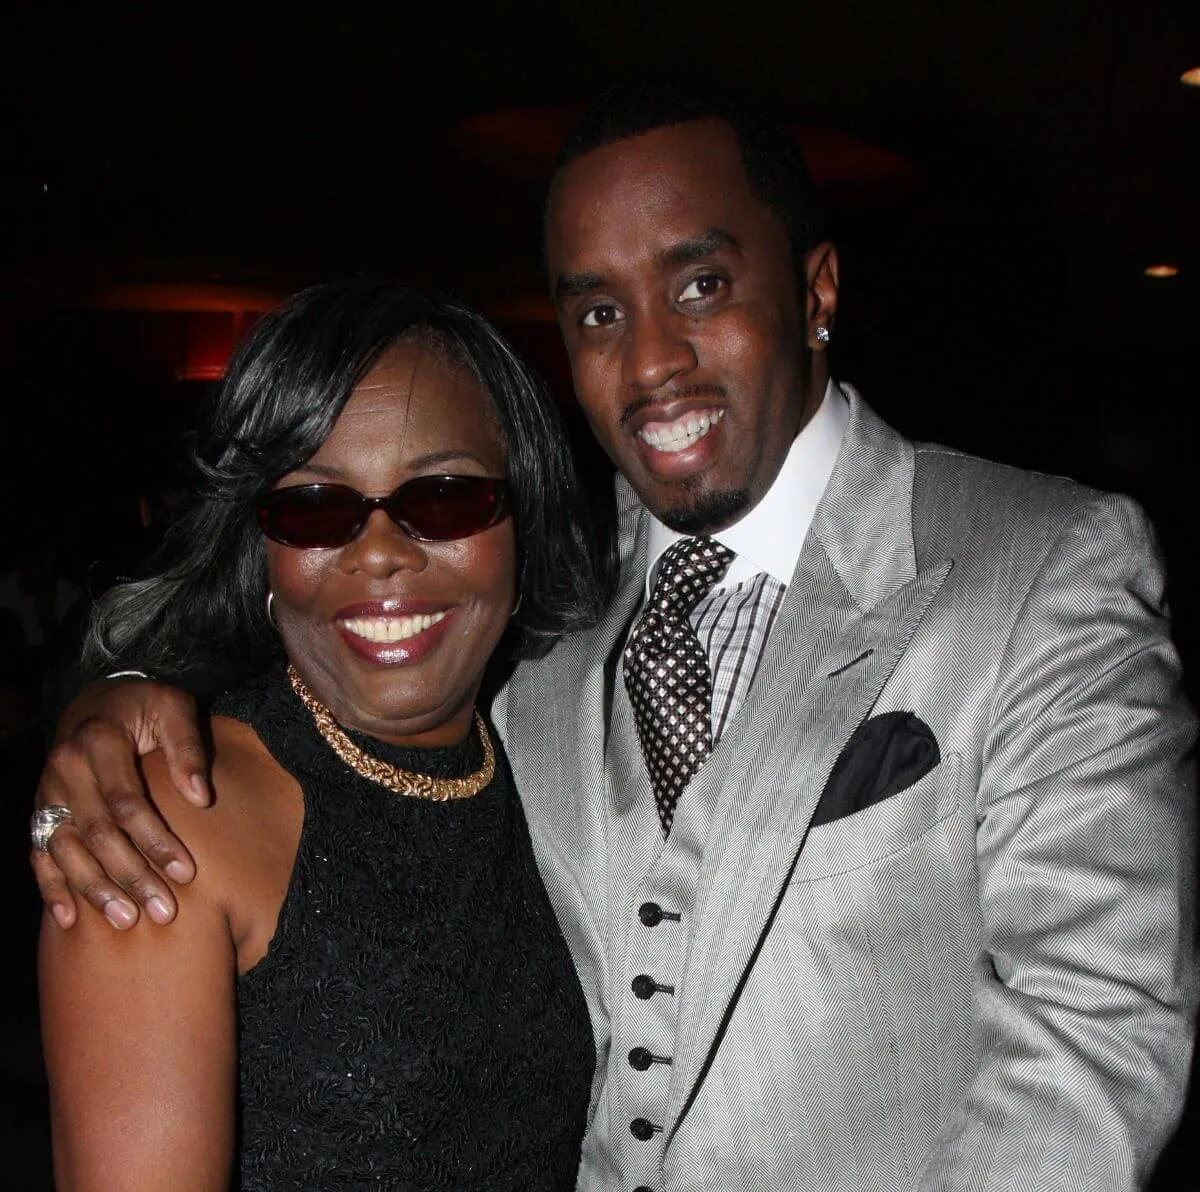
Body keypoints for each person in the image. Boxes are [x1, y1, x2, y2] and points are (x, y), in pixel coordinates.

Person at [33, 82, 1196, 1191]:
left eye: (699, 286)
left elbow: (1097, 1025)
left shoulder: (1041, 563)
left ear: (816, 290)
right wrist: (125, 693)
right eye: (598, 311)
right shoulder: (551, 614)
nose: (650, 361)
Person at [36, 280, 608, 1190]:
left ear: (521, 518)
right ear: (262, 550)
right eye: (314, 507)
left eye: (447, 496)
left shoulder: (560, 749)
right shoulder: (168, 824)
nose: (379, 549)